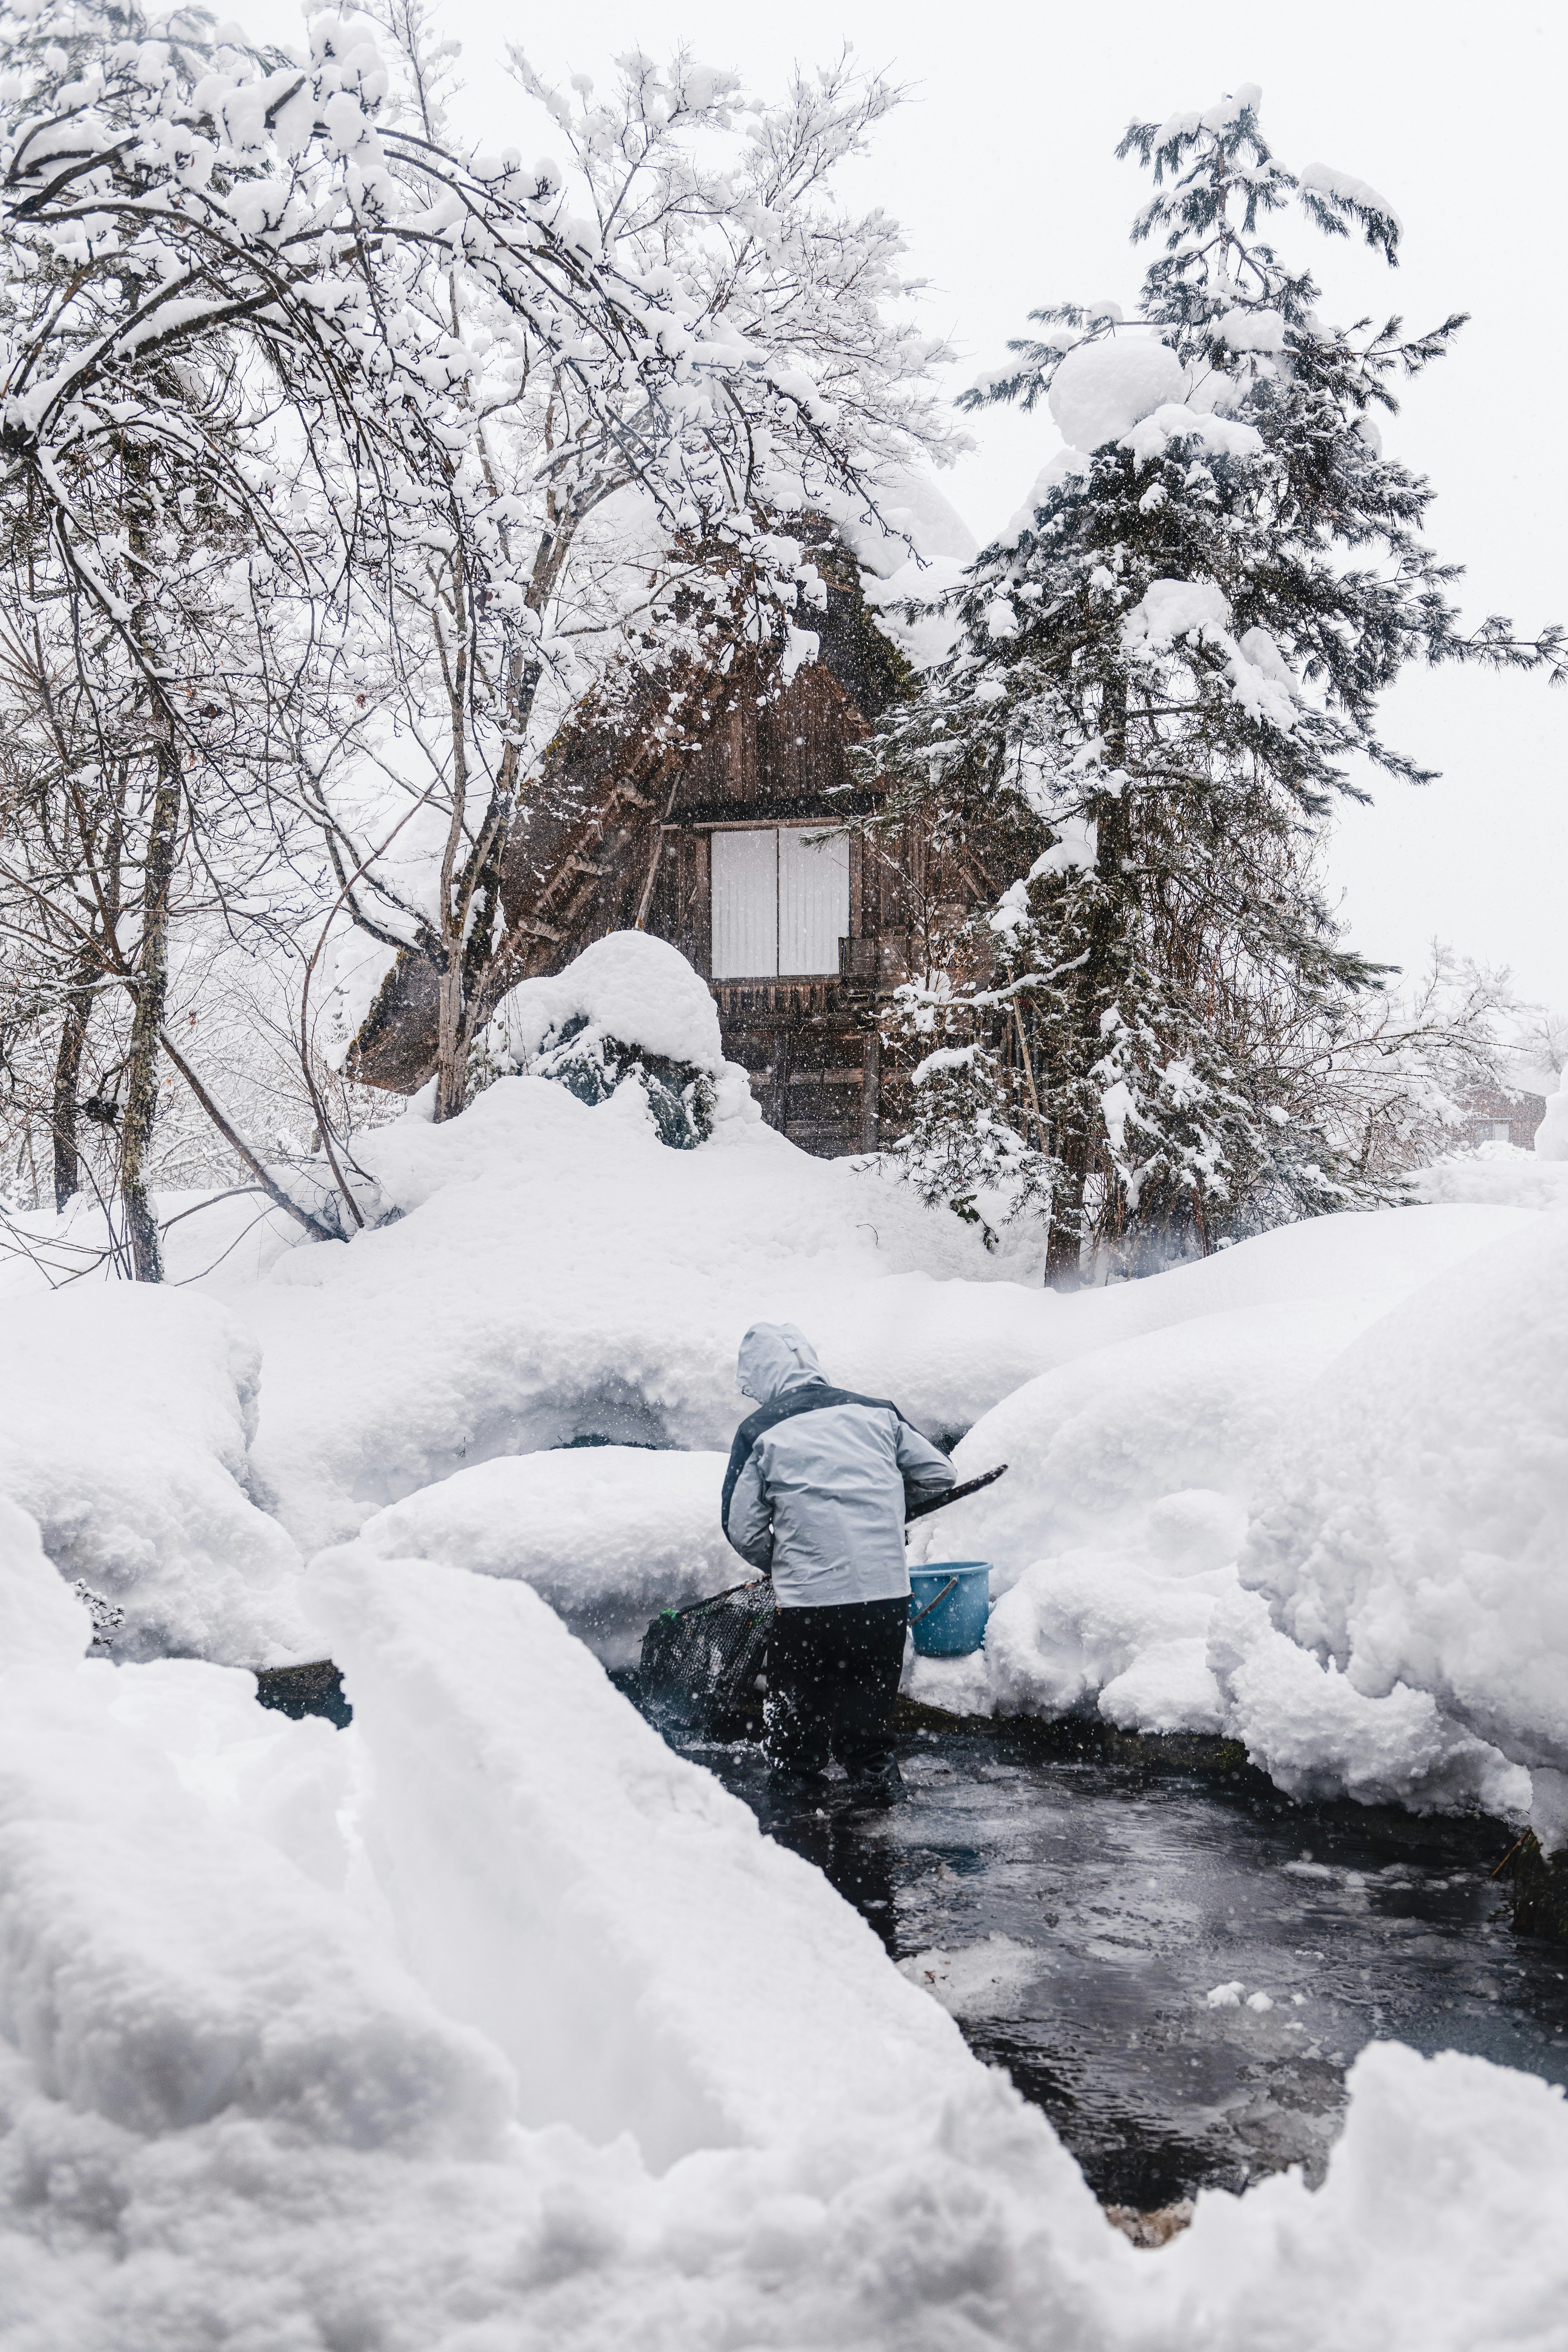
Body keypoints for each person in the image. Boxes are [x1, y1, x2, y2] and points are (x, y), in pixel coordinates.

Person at [721, 1321, 955, 1806]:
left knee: (794, 1746)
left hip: (810, 1606)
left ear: (762, 1376)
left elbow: (741, 1528)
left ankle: (797, 1836)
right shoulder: (876, 1412)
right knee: (866, 1736)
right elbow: (940, 1474)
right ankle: (876, 1835)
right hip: (884, 1599)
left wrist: (783, 1563)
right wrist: (889, 1507)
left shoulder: (760, 1429)